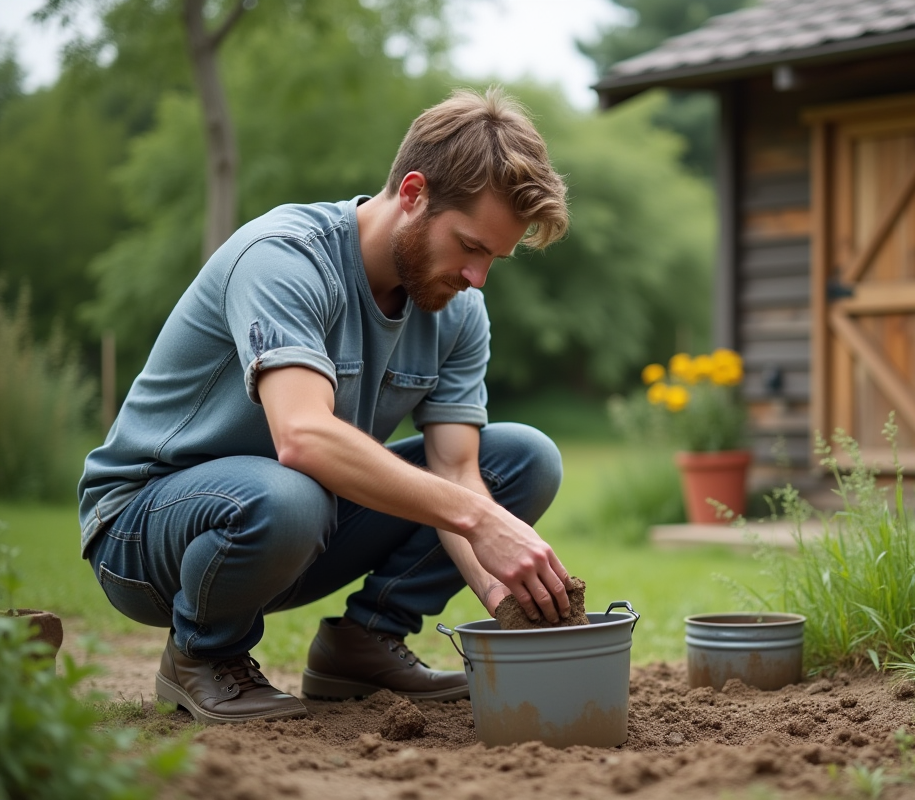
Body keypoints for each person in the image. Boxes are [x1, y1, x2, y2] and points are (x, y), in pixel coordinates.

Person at [77, 87, 573, 725]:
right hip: (145, 529)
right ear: (414, 193)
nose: (477, 277)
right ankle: (204, 654)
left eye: (493, 260)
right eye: (471, 247)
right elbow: (303, 438)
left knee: (526, 460)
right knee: (293, 493)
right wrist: (482, 520)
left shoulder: (457, 309)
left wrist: (506, 599)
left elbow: (457, 473)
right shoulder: (285, 258)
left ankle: (363, 644)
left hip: (293, 525)